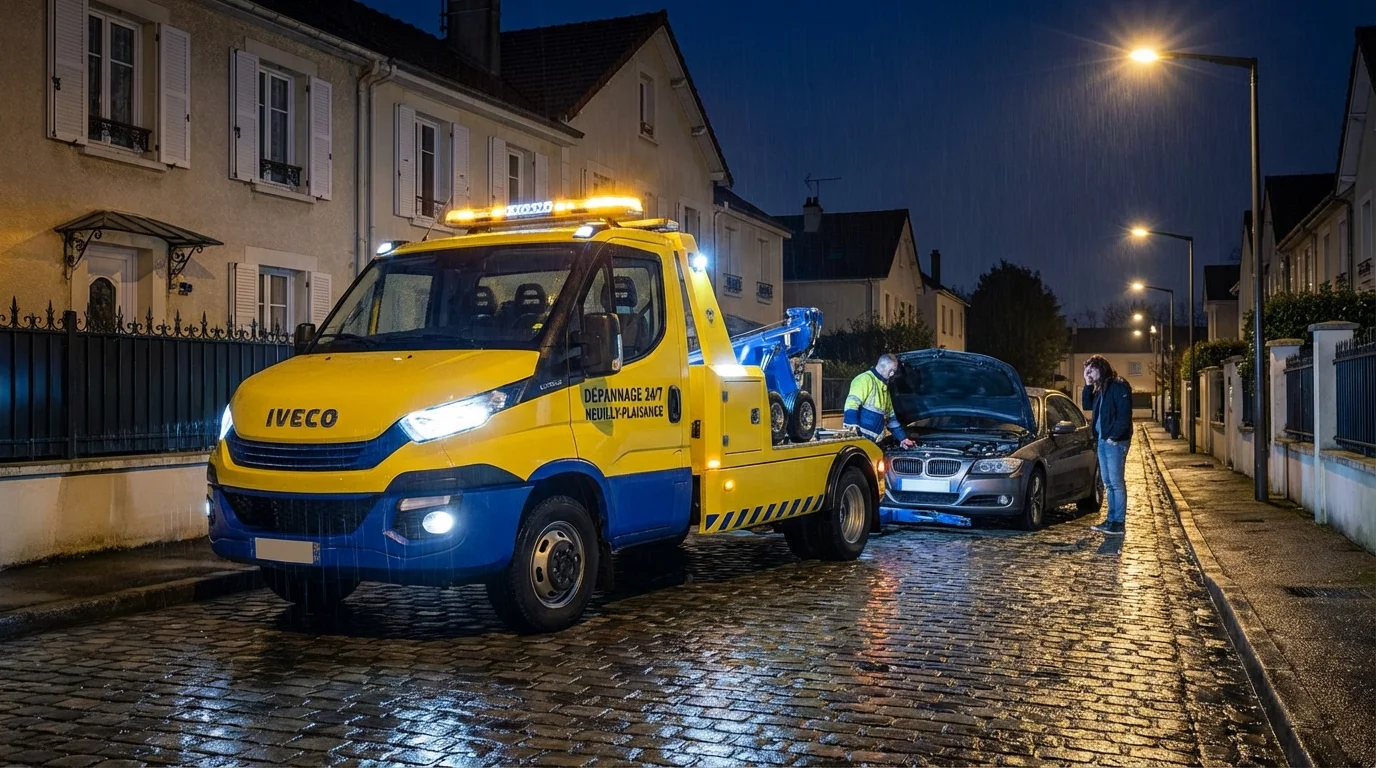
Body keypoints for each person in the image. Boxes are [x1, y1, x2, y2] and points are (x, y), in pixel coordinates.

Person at [1082, 355, 1132, 536]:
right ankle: (1111, 520)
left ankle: (1118, 523)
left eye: (1091, 370)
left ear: (1101, 369)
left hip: (1115, 442)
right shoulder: (1100, 389)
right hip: (1103, 441)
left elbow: (1124, 415)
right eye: (1087, 371)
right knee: (1108, 483)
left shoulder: (1118, 386)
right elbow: (1086, 405)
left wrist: (1115, 436)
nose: (1089, 374)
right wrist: (1087, 383)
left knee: (1116, 483)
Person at [844, 354, 916, 449]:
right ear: (882, 366)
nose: (892, 374)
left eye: (893, 371)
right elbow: (851, 406)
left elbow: (891, 419)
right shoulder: (864, 380)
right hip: (861, 444)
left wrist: (903, 439)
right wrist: (854, 435)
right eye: (891, 370)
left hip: (875, 445)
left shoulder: (884, 388)